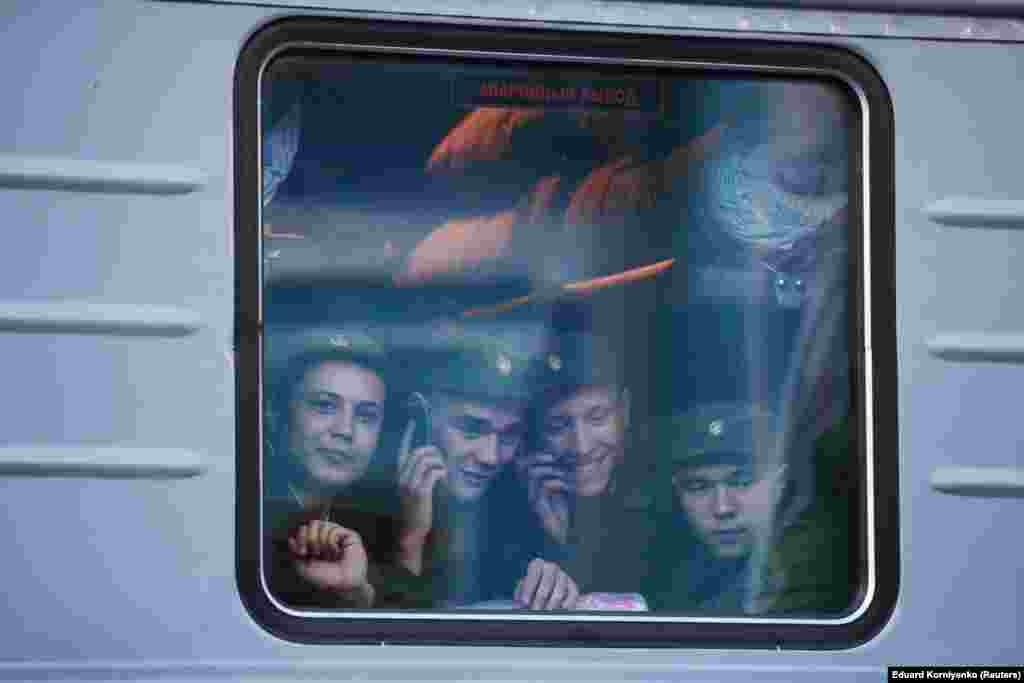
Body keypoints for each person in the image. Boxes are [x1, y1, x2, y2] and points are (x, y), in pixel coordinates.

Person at [393, 329, 581, 609]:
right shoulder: (366, 506)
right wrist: (410, 540)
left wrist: (560, 555)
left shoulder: (520, 509)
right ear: (423, 418)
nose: (491, 456)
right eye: (471, 429)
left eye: (508, 435)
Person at [650, 401, 854, 615]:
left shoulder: (808, 573)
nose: (723, 508)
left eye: (742, 482)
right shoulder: (675, 569)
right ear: (676, 491)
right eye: (698, 486)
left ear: (780, 482)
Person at [262, 327, 411, 609]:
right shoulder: (254, 522)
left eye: (366, 416)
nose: (345, 430)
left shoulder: (365, 520)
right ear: (276, 415)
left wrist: (413, 535)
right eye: (324, 406)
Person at [517, 330, 659, 597]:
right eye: (558, 426)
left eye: (597, 418)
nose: (581, 446)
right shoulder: (515, 512)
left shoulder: (662, 502)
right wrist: (555, 537)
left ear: (625, 411)